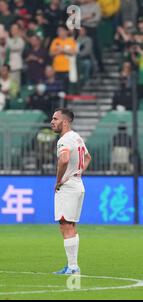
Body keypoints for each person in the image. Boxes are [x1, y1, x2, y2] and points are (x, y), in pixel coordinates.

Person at [50, 108, 92, 275]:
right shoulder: (76, 137)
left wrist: (59, 180)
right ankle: (72, 265)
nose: (51, 121)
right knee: (70, 225)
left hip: (68, 187)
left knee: (65, 225)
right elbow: (88, 158)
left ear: (65, 122)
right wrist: (77, 173)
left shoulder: (64, 140)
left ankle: (73, 267)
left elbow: (65, 159)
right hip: (78, 184)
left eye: (55, 118)